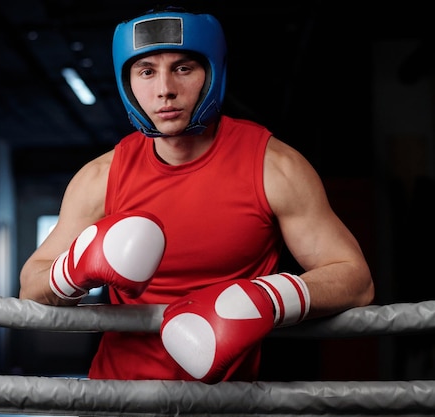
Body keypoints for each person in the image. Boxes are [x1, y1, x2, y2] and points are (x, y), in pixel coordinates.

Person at [19, 6, 374, 383]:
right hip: (117, 397)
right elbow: (30, 287)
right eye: (146, 71)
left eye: (183, 68)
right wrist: (74, 269)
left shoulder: (274, 166)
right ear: (128, 84)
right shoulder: (101, 177)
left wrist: (268, 297)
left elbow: (356, 280)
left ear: (213, 72)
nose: (164, 89)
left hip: (226, 402)